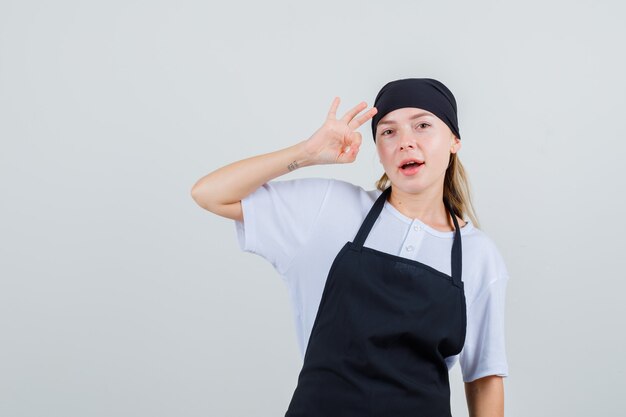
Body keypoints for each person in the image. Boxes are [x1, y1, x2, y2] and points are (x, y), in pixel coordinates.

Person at [191, 78, 509, 416]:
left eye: (423, 125)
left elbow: (483, 378)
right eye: (388, 132)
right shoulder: (329, 210)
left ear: (454, 141)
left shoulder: (478, 256)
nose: (405, 142)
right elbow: (209, 194)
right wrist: (306, 153)